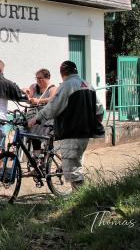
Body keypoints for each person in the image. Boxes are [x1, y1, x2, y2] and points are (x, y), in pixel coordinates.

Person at [27, 60, 105, 191]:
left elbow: (53, 107)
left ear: (62, 73)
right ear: (76, 71)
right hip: (85, 134)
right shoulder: (88, 85)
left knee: (72, 170)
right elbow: (100, 110)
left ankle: (82, 201)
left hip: (72, 132)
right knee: (76, 165)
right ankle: (81, 199)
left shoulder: (67, 85)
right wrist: (92, 125)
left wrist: (36, 118)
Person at [23, 68, 58, 159]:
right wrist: (26, 93)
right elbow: (29, 99)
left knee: (47, 140)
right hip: (35, 117)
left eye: (40, 78)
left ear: (47, 78)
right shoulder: (34, 87)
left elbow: (52, 99)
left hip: (47, 118)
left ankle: (47, 161)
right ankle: (36, 162)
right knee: (35, 139)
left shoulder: (52, 88)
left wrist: (38, 100)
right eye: (37, 78)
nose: (38, 80)